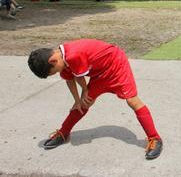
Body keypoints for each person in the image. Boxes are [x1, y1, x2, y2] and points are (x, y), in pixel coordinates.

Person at [27, 39, 163, 160]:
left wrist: (85, 91)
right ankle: (63, 133)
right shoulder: (61, 58)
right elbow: (69, 79)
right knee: (83, 103)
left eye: (55, 71)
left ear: (53, 61)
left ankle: (155, 138)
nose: (57, 73)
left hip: (116, 65)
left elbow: (79, 77)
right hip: (99, 73)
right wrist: (77, 100)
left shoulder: (73, 55)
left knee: (132, 101)